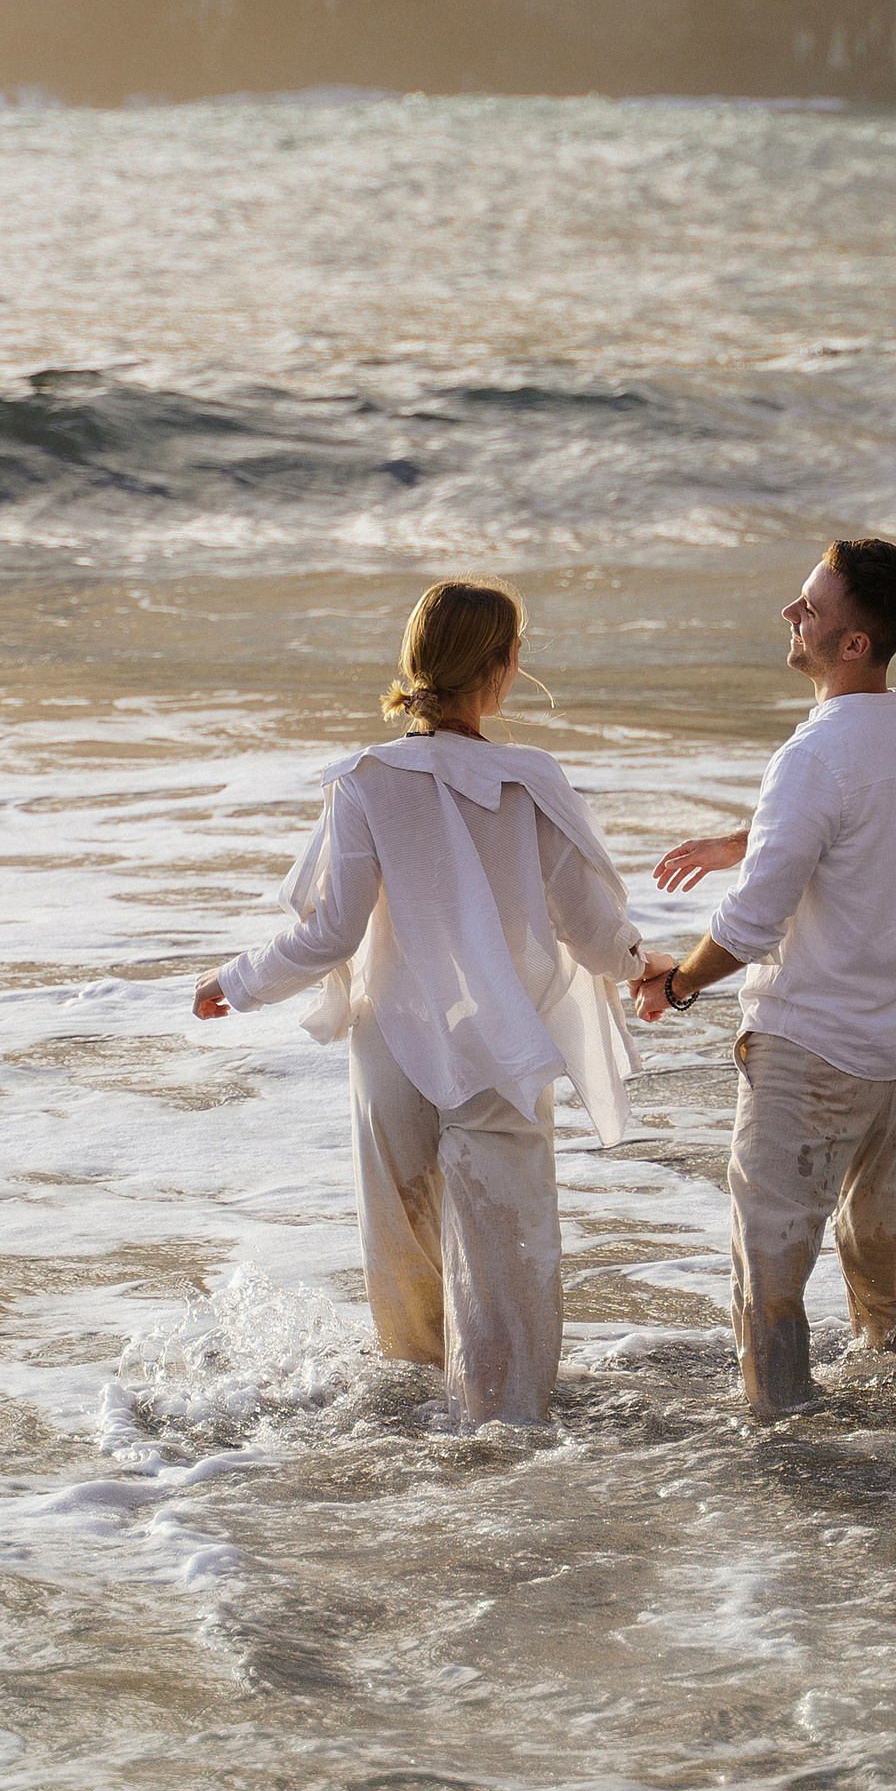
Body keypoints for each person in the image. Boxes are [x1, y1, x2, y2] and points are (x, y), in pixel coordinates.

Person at [191, 579, 645, 1426]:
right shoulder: (532, 782)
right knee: (508, 1270)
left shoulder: (365, 779)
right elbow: (591, 932)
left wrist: (236, 981)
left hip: (393, 1047)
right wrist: (650, 970)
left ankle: (412, 1450)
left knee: (403, 1265)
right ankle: (503, 1442)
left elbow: (330, 934)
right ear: (504, 667)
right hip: (501, 1052)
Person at [638, 537, 896, 1421]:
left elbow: (747, 926)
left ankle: (784, 1448)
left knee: (768, 1262)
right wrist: (751, 838)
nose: (791, 613)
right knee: (878, 1251)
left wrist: (679, 985)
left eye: (811, 607)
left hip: (814, 1050)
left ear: (854, 644)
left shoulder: (813, 758)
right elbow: (863, 828)